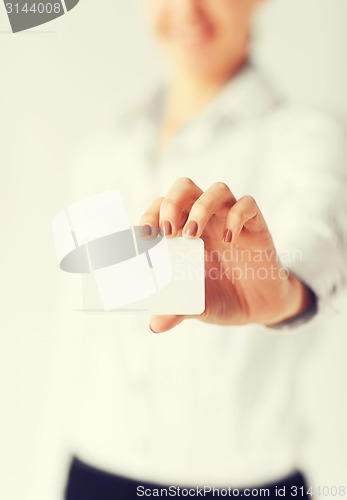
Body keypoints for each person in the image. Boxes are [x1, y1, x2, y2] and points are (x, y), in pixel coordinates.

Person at [33, 1, 347, 499]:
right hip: (91, 473)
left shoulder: (305, 137)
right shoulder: (104, 147)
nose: (186, 9)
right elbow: (79, 344)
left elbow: (319, 240)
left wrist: (285, 292)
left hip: (244, 489)